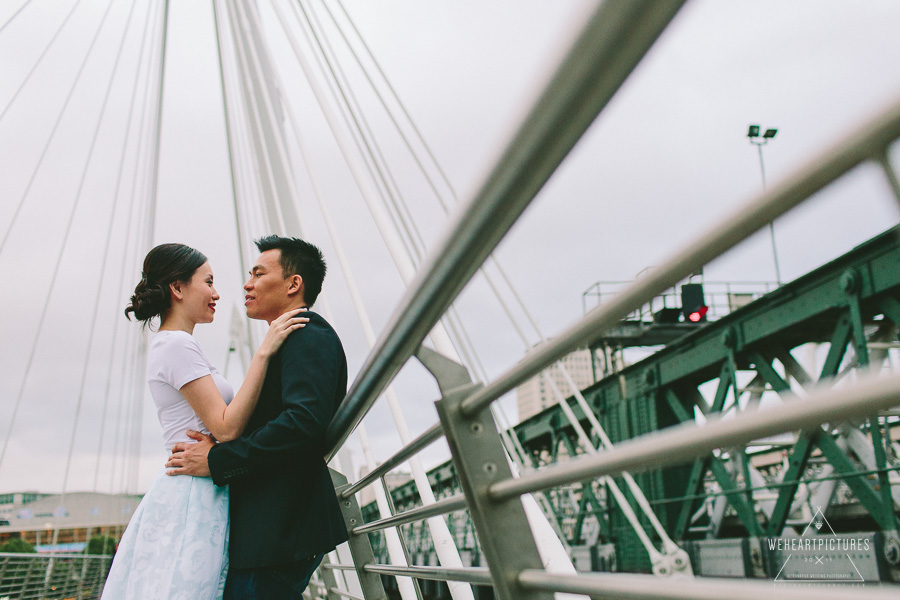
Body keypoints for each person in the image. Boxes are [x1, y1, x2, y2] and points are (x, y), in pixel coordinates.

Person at [102, 243, 308, 600]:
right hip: (192, 494)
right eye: (208, 282)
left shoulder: (177, 345)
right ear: (177, 288)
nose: (216, 293)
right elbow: (226, 427)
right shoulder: (176, 346)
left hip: (198, 486)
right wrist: (264, 351)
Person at [166, 235, 350, 599]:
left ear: (294, 284)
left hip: (279, 532)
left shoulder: (308, 335)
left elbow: (302, 424)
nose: (247, 284)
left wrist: (217, 459)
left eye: (258, 273)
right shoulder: (289, 341)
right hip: (271, 531)